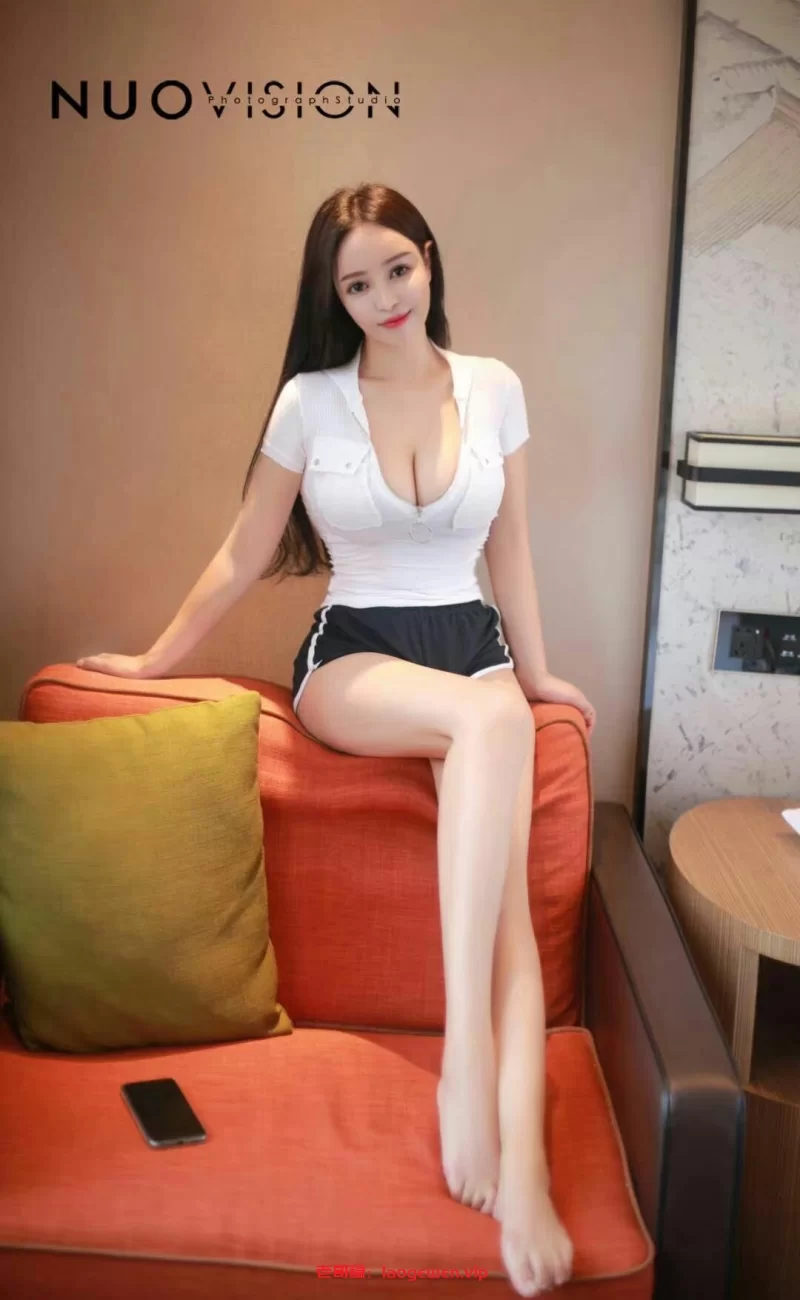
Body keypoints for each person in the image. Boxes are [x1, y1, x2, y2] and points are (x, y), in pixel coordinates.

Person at [77, 183, 596, 1297]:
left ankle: (527, 1171)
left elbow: (509, 552)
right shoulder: (309, 402)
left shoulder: (495, 386)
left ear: (428, 258)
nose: (383, 298)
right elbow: (241, 553)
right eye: (356, 285)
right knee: (487, 714)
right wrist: (154, 660)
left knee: (507, 871)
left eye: (396, 270)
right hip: (355, 655)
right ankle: (464, 1062)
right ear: (335, 298)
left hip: (474, 650)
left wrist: (539, 670)